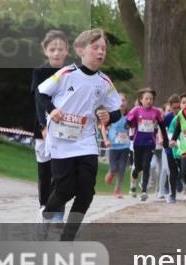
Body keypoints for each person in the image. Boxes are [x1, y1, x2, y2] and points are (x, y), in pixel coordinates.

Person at [37, 28, 122, 240]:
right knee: (64, 190)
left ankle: (67, 237)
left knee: (86, 192)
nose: (101, 52)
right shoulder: (66, 74)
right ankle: (47, 215)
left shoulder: (104, 82)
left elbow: (117, 111)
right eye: (95, 48)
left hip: (86, 140)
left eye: (103, 49)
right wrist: (51, 110)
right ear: (80, 50)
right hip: (61, 139)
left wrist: (108, 117)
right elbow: (41, 93)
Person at [31, 30, 69, 225]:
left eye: (60, 49)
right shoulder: (39, 72)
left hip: (66, 130)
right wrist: (43, 126)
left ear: (67, 51)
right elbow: (38, 99)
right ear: (45, 51)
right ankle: (44, 207)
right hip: (43, 129)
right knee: (45, 171)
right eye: (52, 49)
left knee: (61, 172)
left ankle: (58, 212)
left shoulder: (71, 73)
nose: (56, 53)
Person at [125, 88, 168, 202]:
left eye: (151, 99)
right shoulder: (136, 110)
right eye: (146, 98)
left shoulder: (156, 112)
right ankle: (134, 176)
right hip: (138, 143)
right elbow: (127, 121)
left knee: (146, 166)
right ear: (141, 100)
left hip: (150, 143)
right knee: (138, 167)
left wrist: (166, 139)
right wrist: (130, 123)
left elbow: (162, 126)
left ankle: (144, 190)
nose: (149, 101)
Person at [104, 93, 133, 198]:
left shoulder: (130, 115)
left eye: (123, 100)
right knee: (113, 168)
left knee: (122, 169)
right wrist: (106, 139)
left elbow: (134, 127)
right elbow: (103, 127)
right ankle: (110, 173)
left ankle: (117, 190)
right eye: (119, 100)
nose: (121, 103)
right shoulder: (112, 115)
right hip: (113, 146)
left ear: (127, 102)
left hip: (125, 146)